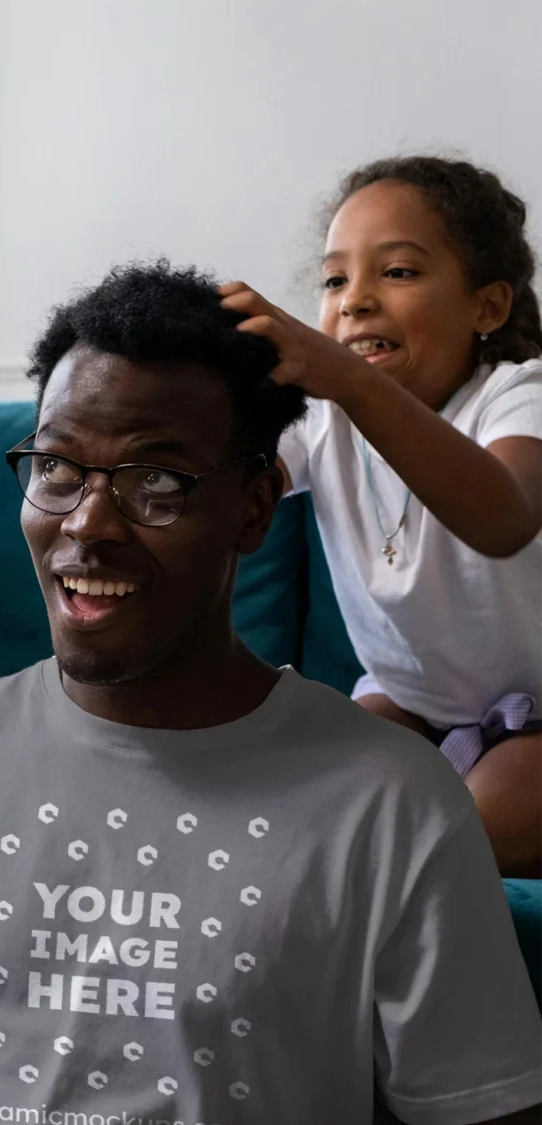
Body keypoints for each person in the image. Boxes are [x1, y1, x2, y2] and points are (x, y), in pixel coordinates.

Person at [0, 261, 542, 1125]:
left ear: (255, 508)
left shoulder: (392, 804)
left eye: (157, 482)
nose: (89, 522)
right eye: (58, 467)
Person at [220, 156, 542, 879]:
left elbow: (506, 518)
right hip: (412, 702)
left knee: (472, 833)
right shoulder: (321, 416)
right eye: (335, 280)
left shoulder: (519, 395)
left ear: (487, 308)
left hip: (540, 720)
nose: (354, 300)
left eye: (396, 272)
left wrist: (348, 380)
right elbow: (236, 487)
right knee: (301, 803)